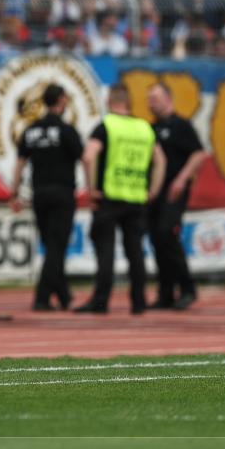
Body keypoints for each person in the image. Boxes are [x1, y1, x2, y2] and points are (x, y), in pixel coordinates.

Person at [75, 84, 166, 315]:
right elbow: (161, 161)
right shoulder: (144, 127)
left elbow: (88, 157)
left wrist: (92, 188)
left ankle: (101, 301)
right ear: (128, 102)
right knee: (135, 253)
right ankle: (138, 302)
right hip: (136, 198)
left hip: (109, 197)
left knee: (106, 252)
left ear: (109, 101)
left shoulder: (106, 126)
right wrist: (152, 190)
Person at [9, 84, 82, 311]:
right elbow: (84, 158)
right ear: (61, 100)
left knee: (51, 245)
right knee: (56, 247)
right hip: (62, 194)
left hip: (39, 194)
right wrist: (92, 186)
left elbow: (20, 163)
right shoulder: (67, 131)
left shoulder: (31, 130)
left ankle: (64, 296)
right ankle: (41, 297)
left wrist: (14, 193)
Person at [146, 83, 207, 310]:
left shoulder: (181, 125)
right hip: (154, 193)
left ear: (168, 99)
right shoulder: (150, 128)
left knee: (167, 234)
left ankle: (188, 288)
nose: (151, 103)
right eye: (149, 99)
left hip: (173, 192)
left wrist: (182, 179)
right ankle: (166, 292)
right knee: (156, 239)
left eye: (155, 98)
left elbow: (198, 154)